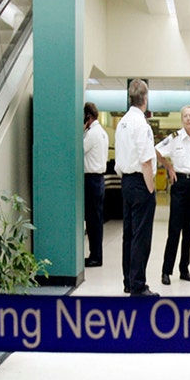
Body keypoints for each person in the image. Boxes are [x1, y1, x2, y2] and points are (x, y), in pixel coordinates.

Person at [114, 79, 159, 296]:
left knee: (129, 235)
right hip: (141, 184)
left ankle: (128, 281)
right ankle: (138, 285)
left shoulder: (122, 123)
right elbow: (146, 160)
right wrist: (151, 189)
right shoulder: (141, 124)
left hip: (126, 183)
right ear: (145, 99)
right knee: (141, 236)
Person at [154, 105, 190, 285]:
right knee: (174, 230)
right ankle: (166, 271)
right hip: (179, 185)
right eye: (185, 116)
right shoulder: (174, 138)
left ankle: (184, 269)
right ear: (181, 119)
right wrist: (169, 167)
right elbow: (157, 151)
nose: (188, 119)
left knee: (189, 232)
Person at [82, 102, 109, 268]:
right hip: (98, 180)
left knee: (93, 221)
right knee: (96, 220)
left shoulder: (91, 134)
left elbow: (78, 150)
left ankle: (95, 256)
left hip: (91, 180)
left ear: (87, 117)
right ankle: (96, 254)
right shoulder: (102, 132)